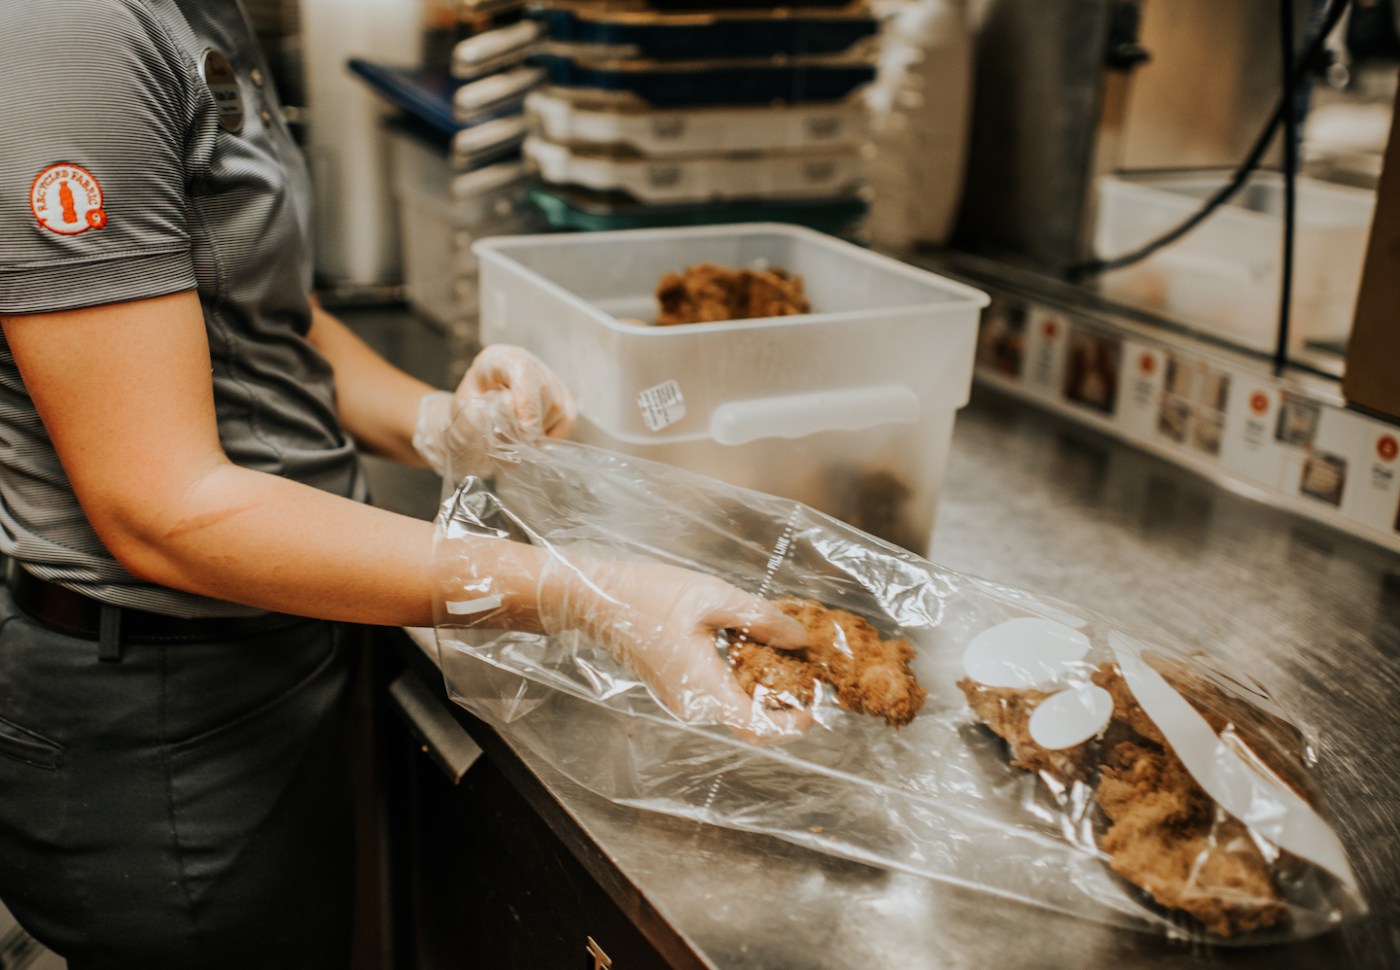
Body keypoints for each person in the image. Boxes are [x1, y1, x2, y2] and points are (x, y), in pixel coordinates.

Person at [0, 2, 806, 968]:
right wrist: (584, 594)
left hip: (279, 633)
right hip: (160, 707)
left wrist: (435, 422)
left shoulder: (204, 12)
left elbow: (256, 319)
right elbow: (160, 509)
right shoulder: (69, 33)